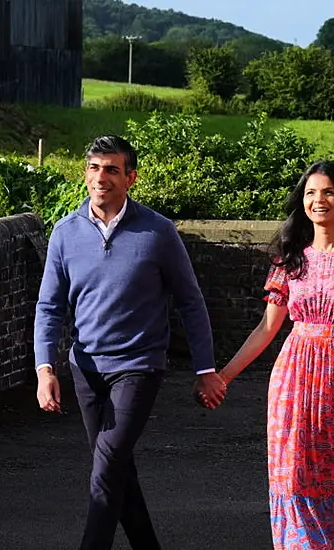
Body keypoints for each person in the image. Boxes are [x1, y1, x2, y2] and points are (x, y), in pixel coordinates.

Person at [33, 135, 228, 550]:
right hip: (85, 369)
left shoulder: (158, 232)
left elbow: (190, 302)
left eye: (111, 169)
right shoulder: (65, 234)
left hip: (138, 366)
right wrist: (44, 369)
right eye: (93, 167)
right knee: (117, 468)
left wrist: (205, 369)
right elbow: (49, 307)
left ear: (131, 177)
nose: (100, 177)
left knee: (107, 465)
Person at [211, 160, 334, 549]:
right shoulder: (290, 260)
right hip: (293, 380)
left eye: (328, 192)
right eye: (310, 193)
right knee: (294, 475)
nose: (318, 200)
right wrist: (224, 376)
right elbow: (266, 328)